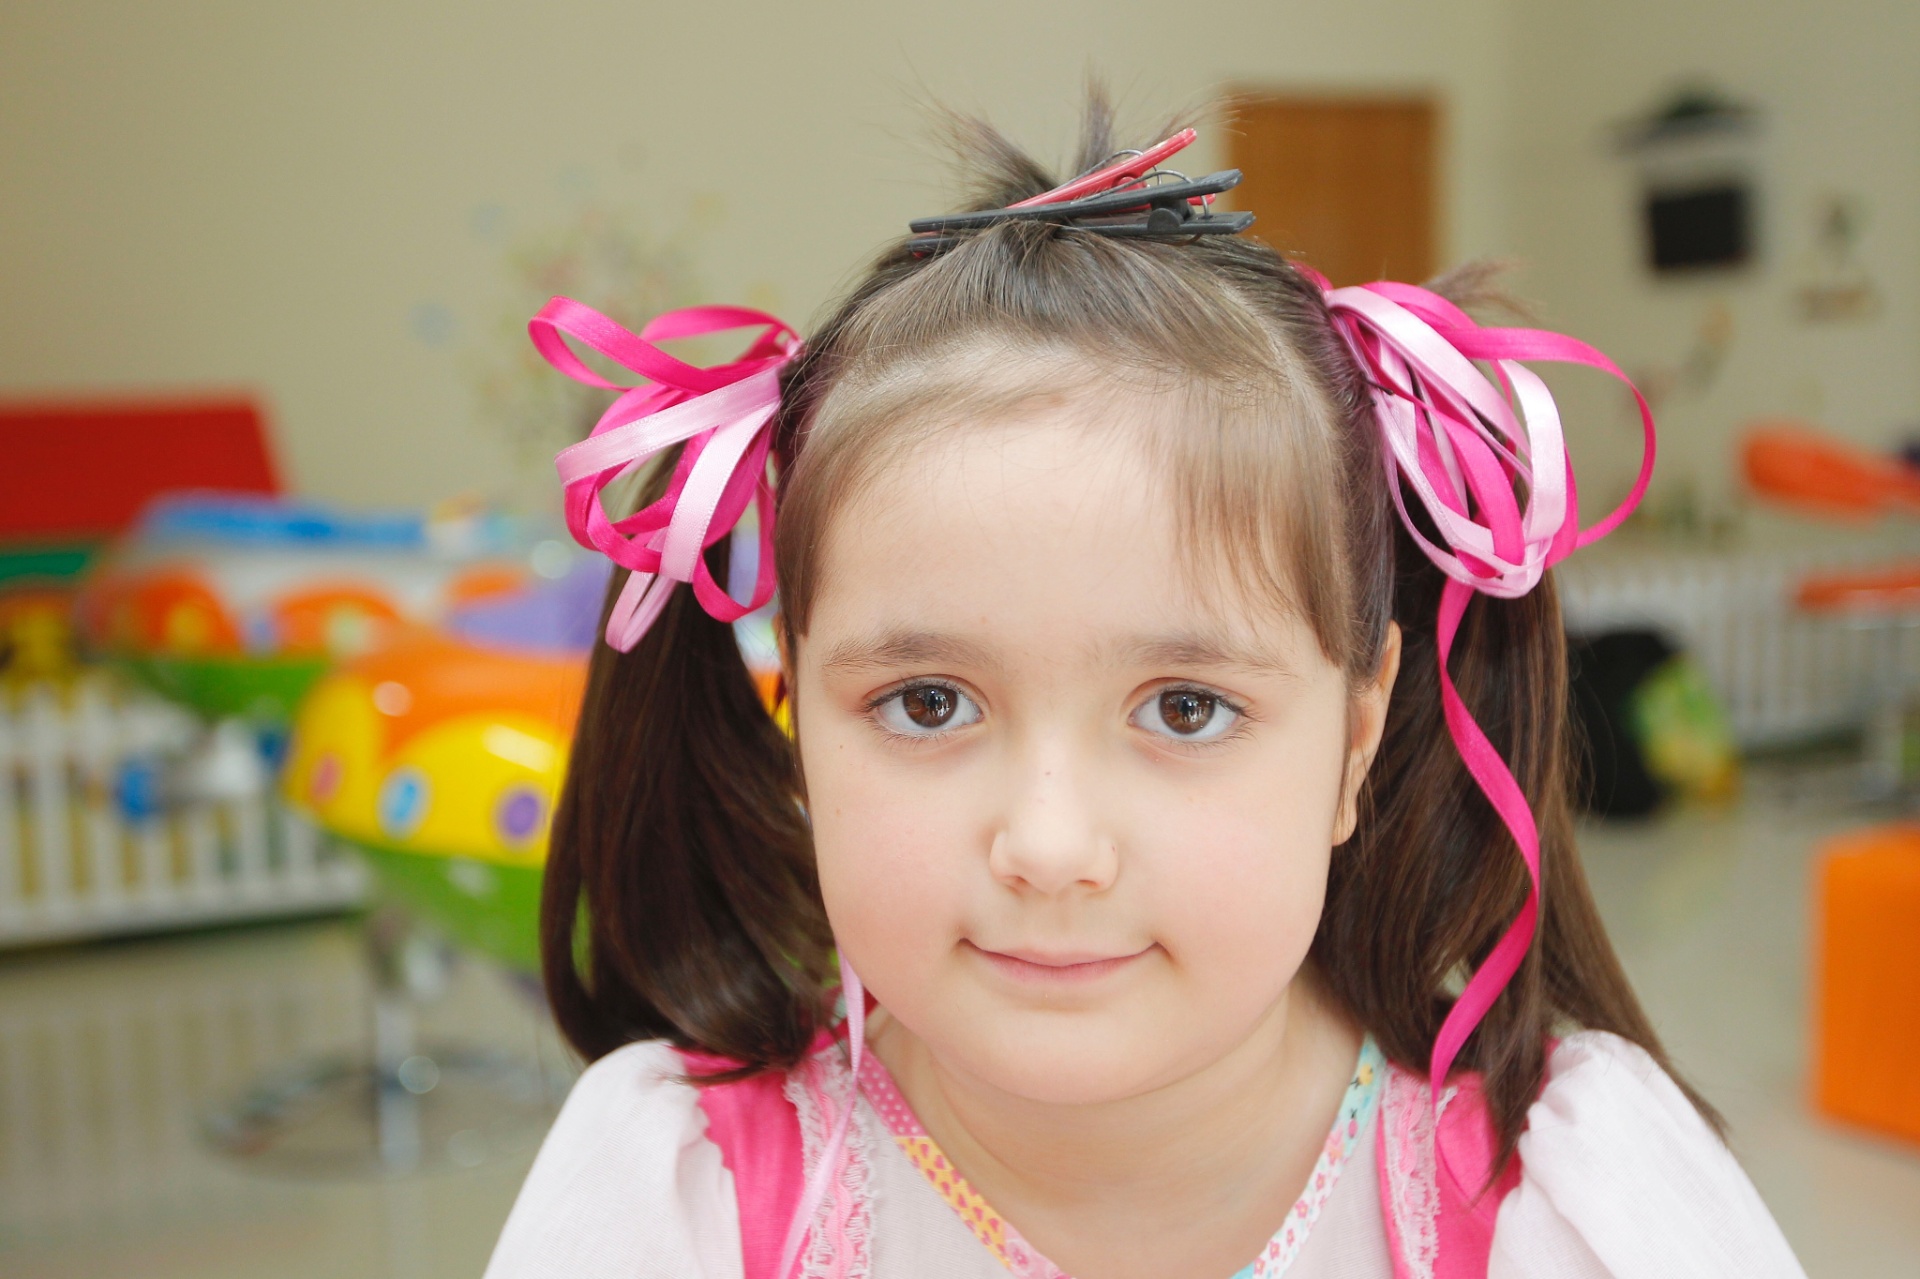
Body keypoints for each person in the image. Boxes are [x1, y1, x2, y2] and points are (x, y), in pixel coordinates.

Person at [484, 102, 1804, 1279]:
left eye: (1185, 708)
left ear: (1357, 733)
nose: (1050, 847)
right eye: (928, 703)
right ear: (797, 727)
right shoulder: (688, 1208)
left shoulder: (1557, 1208)